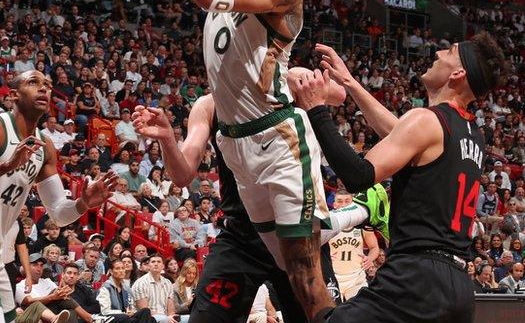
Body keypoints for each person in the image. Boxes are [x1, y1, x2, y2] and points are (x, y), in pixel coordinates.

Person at [118, 0, 331, 322]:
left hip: (278, 141)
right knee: (284, 269)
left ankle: (346, 224)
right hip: (237, 149)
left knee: (304, 278)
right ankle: (344, 218)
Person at [131, 66, 385, 323]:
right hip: (243, 234)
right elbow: (182, 175)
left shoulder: (284, 82)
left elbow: (339, 95)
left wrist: (287, 76)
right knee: (205, 318)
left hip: (295, 230)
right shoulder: (209, 105)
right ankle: (359, 210)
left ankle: (359, 210)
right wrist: (166, 139)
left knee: (321, 318)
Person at [289, 33, 508, 323]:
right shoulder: (472, 135)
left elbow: (360, 175)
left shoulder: (427, 121)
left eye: (450, 50)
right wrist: (351, 84)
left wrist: (316, 110)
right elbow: (399, 133)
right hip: (458, 285)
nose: (439, 52)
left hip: (416, 279)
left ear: (457, 73)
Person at [0, 70, 117, 323]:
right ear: (14, 95)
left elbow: (59, 214)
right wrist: (4, 166)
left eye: (48, 85)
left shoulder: (45, 146)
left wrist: (83, 203)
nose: (44, 89)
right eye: (34, 83)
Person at [327, 191, 380, 301]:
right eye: (340, 201)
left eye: (347, 201)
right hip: (333, 277)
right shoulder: (327, 223)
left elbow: (375, 248)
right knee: (332, 315)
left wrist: (369, 258)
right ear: (334, 204)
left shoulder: (362, 225)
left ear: (353, 204)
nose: (343, 204)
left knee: (361, 314)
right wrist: (324, 257)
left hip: (356, 278)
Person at [98, 257, 156, 323]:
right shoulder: (106, 287)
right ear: (111, 271)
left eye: (123, 268)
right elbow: (105, 311)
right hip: (112, 318)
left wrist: (131, 312)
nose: (121, 271)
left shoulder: (126, 288)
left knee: (146, 311)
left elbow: (131, 307)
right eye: (117, 268)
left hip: (126, 317)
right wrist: (123, 313)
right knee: (129, 319)